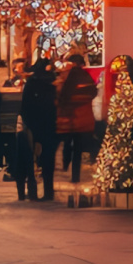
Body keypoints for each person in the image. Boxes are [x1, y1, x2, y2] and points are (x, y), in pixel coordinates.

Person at [20, 59, 59, 201]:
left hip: (34, 126)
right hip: (51, 125)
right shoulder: (54, 83)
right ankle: (49, 191)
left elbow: (25, 106)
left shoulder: (31, 83)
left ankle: (32, 191)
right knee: (49, 159)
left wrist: (28, 123)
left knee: (31, 159)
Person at [55, 53, 97, 184]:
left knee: (68, 145)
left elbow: (63, 98)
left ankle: (67, 168)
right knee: (78, 149)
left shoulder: (70, 80)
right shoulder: (86, 77)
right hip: (85, 120)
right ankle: (75, 176)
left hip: (71, 120)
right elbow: (93, 93)